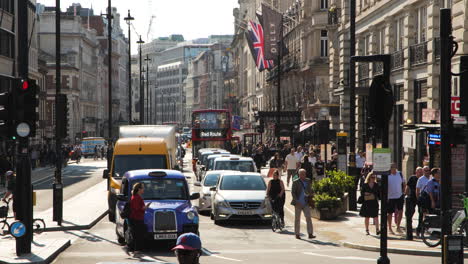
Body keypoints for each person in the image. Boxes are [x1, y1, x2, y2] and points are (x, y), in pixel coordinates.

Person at [291, 169, 315, 239]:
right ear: (299, 174)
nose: (302, 175)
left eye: (304, 174)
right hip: (298, 203)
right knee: (297, 219)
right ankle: (297, 234)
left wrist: (311, 194)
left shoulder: (308, 181)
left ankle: (310, 233)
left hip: (306, 203)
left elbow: (310, 190)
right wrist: (296, 201)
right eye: (301, 174)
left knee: (308, 217)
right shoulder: (295, 182)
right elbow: (293, 192)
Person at [128, 182, 151, 254]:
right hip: (136, 219)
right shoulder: (136, 197)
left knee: (139, 233)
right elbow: (136, 208)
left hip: (138, 218)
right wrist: (145, 207)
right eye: (143, 188)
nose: (144, 189)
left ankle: (136, 249)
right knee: (138, 235)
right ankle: (136, 250)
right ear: (139, 189)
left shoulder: (136, 197)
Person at [387, 163, 405, 234]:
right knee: (390, 213)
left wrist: (403, 191)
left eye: (394, 167)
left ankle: (398, 227)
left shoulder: (399, 174)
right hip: (390, 196)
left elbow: (403, 183)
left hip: (399, 195)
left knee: (400, 211)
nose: (393, 168)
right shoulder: (387, 175)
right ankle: (390, 228)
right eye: (392, 167)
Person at [405, 167, 423, 237]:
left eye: (421, 172)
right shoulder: (412, 178)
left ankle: (419, 229)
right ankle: (409, 231)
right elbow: (407, 187)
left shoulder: (422, 179)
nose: (420, 173)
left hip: (420, 198)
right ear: (416, 172)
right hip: (412, 197)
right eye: (419, 172)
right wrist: (406, 194)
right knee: (410, 213)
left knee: (421, 213)